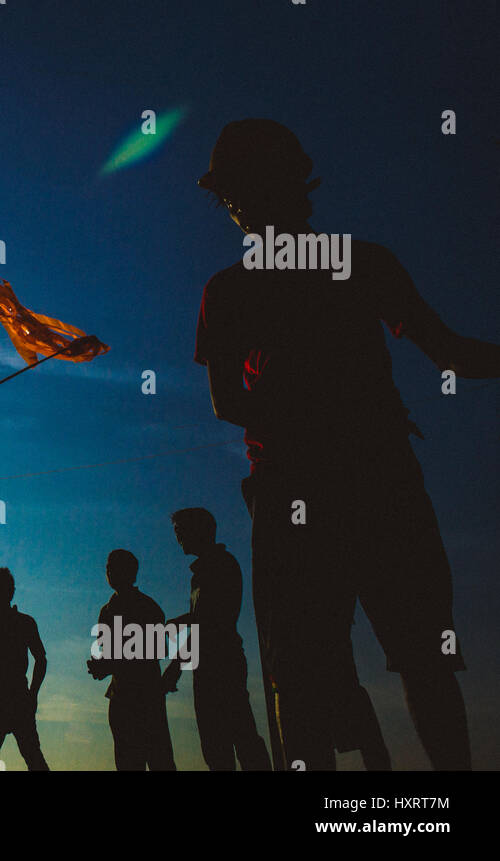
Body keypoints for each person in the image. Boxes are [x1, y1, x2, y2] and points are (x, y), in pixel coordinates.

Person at [194, 118, 500, 770]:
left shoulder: (343, 267)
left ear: (282, 188)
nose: (239, 210)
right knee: (334, 672)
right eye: (232, 198)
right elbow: (227, 400)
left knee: (399, 661)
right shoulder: (237, 289)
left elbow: (449, 351)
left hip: (341, 488)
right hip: (339, 485)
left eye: (243, 193)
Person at [162, 508, 270, 771]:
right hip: (211, 664)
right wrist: (181, 621)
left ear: (199, 530)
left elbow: (208, 624)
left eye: (180, 531)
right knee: (219, 742)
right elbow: (204, 616)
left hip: (222, 663)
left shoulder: (218, 565)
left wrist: (175, 667)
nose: (178, 539)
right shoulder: (205, 570)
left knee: (236, 737)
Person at [87, 550, 175, 771]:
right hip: (122, 697)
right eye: (108, 567)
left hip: (144, 698)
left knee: (158, 761)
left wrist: (108, 666)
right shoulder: (108, 611)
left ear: (130, 573)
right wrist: (102, 666)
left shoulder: (146, 607)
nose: (108, 571)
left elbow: (156, 650)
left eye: (113, 567)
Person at [0, 566, 49, 771]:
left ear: (9, 591)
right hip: (2, 699)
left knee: (31, 756)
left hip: (14, 698)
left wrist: (33, 694)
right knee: (27, 757)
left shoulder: (22, 623)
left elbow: (41, 659)